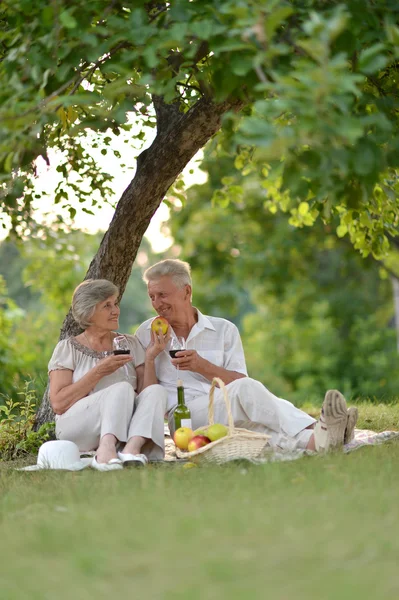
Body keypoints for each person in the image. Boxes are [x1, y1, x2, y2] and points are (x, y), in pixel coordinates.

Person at [135, 259, 358, 453]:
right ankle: (318, 426)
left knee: (257, 427)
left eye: (162, 295)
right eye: (152, 296)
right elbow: (147, 397)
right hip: (184, 418)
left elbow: (238, 383)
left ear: (187, 291)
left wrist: (201, 365)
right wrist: (152, 356)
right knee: (247, 390)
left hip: (227, 407)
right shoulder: (146, 333)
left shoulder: (224, 330)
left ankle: (317, 442)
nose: (157, 304)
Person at [48, 279, 169, 471]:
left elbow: (146, 397)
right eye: (107, 306)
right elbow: (59, 404)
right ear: (89, 312)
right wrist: (98, 371)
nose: (116, 310)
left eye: (115, 304)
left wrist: (151, 357)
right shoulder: (68, 348)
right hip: (79, 427)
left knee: (157, 391)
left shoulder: (130, 344)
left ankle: (131, 449)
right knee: (122, 388)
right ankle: (105, 450)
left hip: (125, 426)